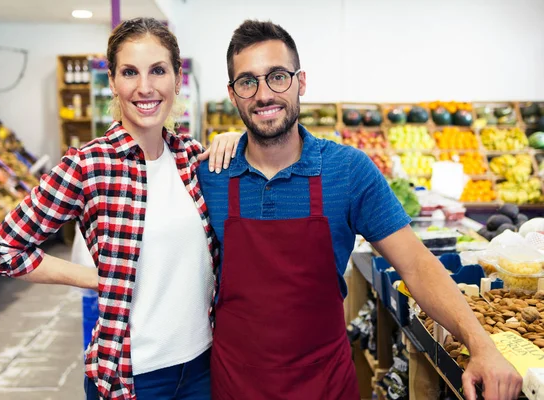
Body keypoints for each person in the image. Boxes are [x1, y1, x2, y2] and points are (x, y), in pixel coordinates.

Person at [197, 20, 523, 400]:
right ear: (233, 95)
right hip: (236, 385)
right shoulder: (210, 174)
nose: (264, 94)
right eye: (248, 82)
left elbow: (416, 265)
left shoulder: (348, 171)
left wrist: (481, 345)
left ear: (301, 82)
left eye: (278, 77)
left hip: (324, 385)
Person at [0, 18, 240, 400]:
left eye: (158, 70)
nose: (145, 87)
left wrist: (237, 139)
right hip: (133, 377)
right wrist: (96, 279)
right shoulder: (88, 165)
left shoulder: (190, 157)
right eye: (129, 72)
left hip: (204, 367)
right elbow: (3, 249)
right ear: (113, 84)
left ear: (175, 79)